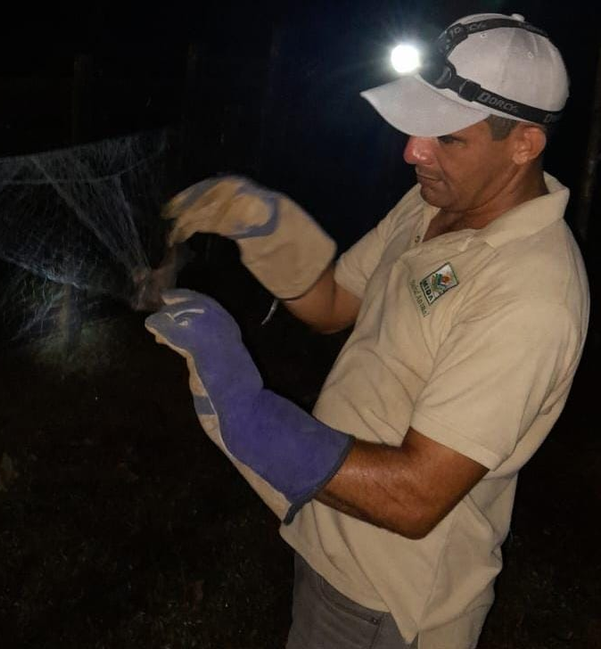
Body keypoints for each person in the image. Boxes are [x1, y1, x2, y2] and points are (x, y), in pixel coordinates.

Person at [145, 12, 589, 649]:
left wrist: (249, 414)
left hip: (390, 597)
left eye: (446, 137)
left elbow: (414, 499)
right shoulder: (434, 203)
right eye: (417, 125)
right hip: (333, 529)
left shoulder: (531, 295)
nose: (413, 151)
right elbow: (334, 302)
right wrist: (264, 226)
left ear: (524, 144)